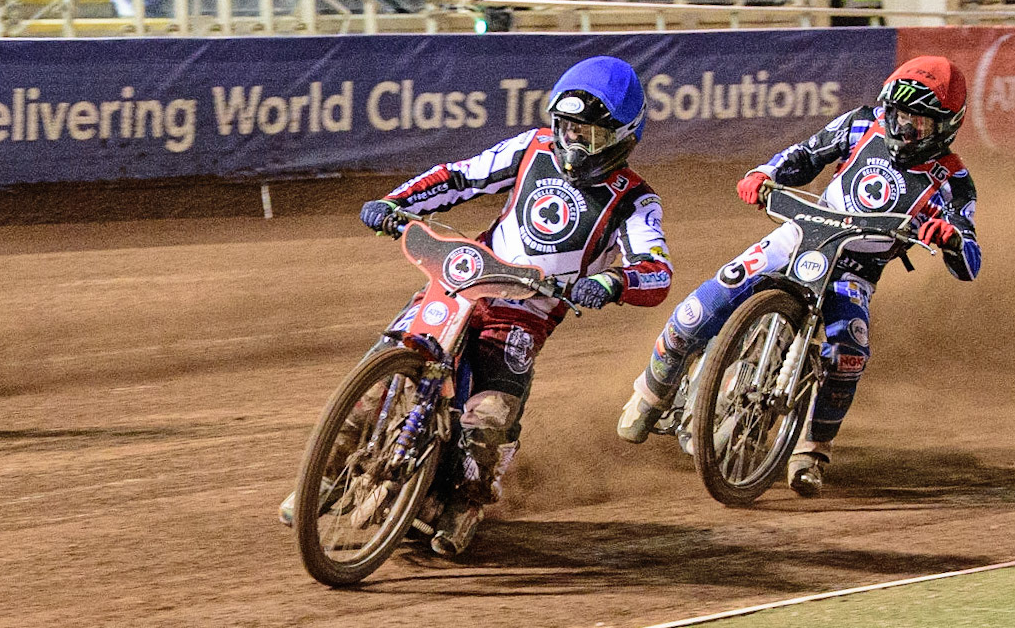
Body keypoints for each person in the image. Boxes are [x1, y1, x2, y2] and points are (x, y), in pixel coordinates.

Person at [280, 56, 671, 556]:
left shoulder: (636, 201)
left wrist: (613, 283)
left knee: (487, 416)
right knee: (380, 367)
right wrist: (396, 204)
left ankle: (467, 500)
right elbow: (460, 178)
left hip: (527, 309)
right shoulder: (531, 148)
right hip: (464, 276)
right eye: (568, 128)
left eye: (590, 136)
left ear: (623, 137)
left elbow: (656, 269)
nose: (574, 142)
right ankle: (326, 476)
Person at [618, 57, 979, 497]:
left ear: (946, 127)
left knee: (851, 350)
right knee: (700, 308)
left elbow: (970, 259)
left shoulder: (954, 180)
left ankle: (812, 450)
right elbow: (805, 155)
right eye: (899, 117)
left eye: (918, 124)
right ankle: (651, 394)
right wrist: (764, 174)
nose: (904, 130)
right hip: (800, 233)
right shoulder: (861, 124)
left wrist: (951, 239)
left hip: (855, 270)